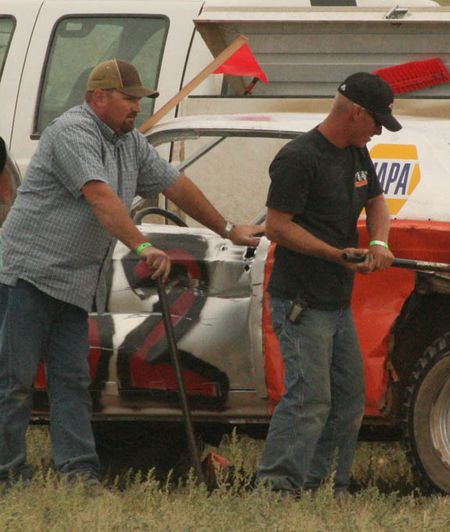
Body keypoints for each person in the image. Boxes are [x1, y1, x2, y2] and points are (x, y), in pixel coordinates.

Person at [0, 59, 262, 488]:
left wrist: (229, 229)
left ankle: (78, 473)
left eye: (139, 100)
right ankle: (7, 474)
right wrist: (142, 246)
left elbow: (174, 184)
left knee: (72, 381)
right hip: (27, 274)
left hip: (72, 282)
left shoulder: (128, 142)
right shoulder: (72, 132)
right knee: (13, 381)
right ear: (98, 97)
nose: (135, 107)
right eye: (129, 98)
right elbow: (100, 196)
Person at [256, 72, 399, 496]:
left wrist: (377, 241)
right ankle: (277, 488)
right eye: (376, 122)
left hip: (336, 303)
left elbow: (376, 202)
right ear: (355, 112)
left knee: (350, 399)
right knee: (309, 398)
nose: (378, 132)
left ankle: (323, 488)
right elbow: (277, 227)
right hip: (300, 301)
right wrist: (335, 254)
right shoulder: (299, 159)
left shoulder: (356, 154)